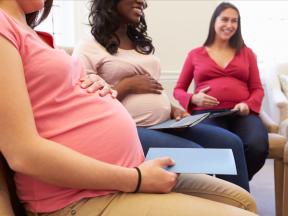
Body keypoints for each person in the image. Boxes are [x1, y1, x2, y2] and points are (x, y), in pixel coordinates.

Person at [0, 0, 258, 215]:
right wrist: (137, 178)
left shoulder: (33, 34)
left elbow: (56, 96)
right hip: (80, 194)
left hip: (134, 158)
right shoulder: (7, 26)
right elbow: (23, 152)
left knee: (242, 197)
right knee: (201, 158)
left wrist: (92, 85)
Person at [73, 0, 250, 191]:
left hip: (165, 124)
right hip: (129, 128)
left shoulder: (139, 45)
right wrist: (126, 86)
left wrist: (172, 109)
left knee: (230, 143)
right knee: (197, 156)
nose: (142, 2)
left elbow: (152, 90)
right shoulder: (88, 48)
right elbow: (84, 105)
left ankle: (240, 208)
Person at [173, 2, 268, 181]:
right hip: (207, 115)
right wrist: (194, 98)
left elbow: (257, 89)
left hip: (241, 115)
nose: (230, 25)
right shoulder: (195, 54)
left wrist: (248, 105)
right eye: (225, 19)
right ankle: (231, 194)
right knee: (224, 145)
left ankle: (235, 186)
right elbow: (178, 90)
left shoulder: (247, 53)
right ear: (214, 21)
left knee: (257, 145)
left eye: (235, 21)